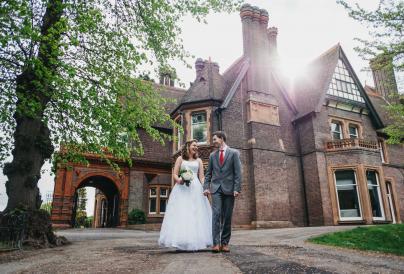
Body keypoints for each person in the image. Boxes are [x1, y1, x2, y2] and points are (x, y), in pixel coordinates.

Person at [158, 139, 213, 251]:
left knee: (196, 213)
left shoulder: (199, 161)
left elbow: (202, 177)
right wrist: (179, 180)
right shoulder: (180, 159)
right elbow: (175, 173)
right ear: (188, 146)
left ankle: (196, 240)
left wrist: (205, 187)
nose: (196, 147)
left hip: (196, 188)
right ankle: (181, 240)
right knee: (182, 212)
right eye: (194, 145)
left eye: (197, 146)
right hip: (182, 188)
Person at [203, 131, 242, 253]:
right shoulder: (212, 156)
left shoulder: (234, 153)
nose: (213, 141)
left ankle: (225, 243)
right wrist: (206, 187)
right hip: (216, 189)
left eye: (215, 139)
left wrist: (237, 188)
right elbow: (208, 173)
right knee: (216, 215)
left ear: (222, 139)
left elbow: (238, 173)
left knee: (227, 216)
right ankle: (216, 243)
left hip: (230, 189)